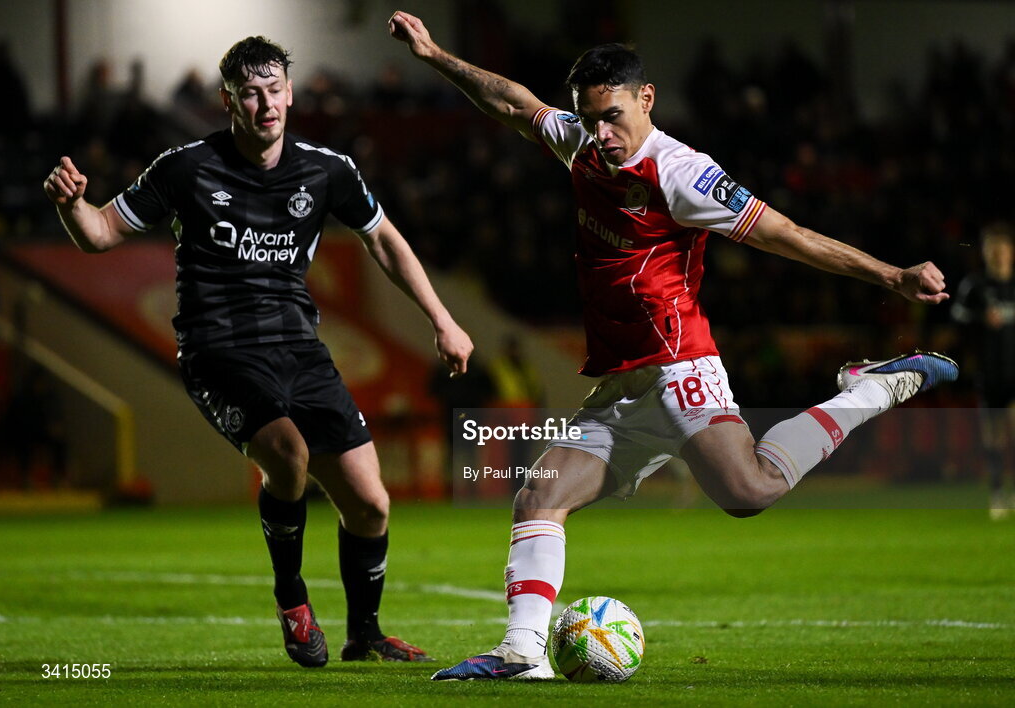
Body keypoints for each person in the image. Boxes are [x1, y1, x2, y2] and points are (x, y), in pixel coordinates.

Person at [388, 11, 958, 681]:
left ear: (646, 98)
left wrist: (891, 275)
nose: (600, 133)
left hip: (679, 363)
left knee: (748, 491)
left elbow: (788, 234)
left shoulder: (684, 173)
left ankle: (870, 388)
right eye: (588, 117)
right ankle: (520, 654)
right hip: (622, 381)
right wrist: (433, 55)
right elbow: (514, 102)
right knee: (540, 495)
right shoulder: (580, 144)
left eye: (612, 115)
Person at [44, 36, 473, 668]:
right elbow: (101, 233)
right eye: (250, 93)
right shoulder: (185, 168)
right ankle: (292, 599)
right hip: (218, 349)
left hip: (299, 346)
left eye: (274, 90)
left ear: (291, 94)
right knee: (289, 453)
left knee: (371, 503)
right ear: (228, 101)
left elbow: (383, 239)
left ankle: (365, 635)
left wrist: (442, 319)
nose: (265, 104)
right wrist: (71, 204)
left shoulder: (327, 170)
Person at [952, 223, 1015, 520]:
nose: (998, 256)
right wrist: (980, 318)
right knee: (994, 438)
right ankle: (998, 493)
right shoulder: (975, 287)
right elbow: (958, 321)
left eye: (1002, 250)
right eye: (992, 251)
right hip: (989, 373)